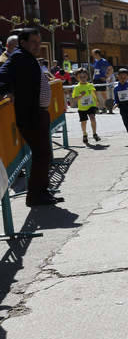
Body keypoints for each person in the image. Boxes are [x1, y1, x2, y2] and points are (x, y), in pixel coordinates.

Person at [0, 28, 63, 206]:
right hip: (30, 115)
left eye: (39, 41)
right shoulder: (19, 57)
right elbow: (2, 76)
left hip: (37, 113)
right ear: (23, 42)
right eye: (34, 42)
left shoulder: (26, 57)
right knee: (42, 154)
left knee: (43, 154)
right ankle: (36, 196)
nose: (37, 45)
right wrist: (7, 91)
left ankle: (41, 192)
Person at [71, 67, 101, 144]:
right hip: (82, 108)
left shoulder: (90, 85)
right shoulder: (77, 88)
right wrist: (81, 95)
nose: (83, 78)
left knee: (92, 118)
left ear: (87, 76)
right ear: (77, 78)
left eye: (84, 77)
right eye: (80, 77)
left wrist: (97, 101)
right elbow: (74, 99)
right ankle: (84, 134)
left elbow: (94, 93)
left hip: (91, 105)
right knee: (83, 122)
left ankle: (94, 133)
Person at [91, 49, 111, 113]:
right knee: (94, 94)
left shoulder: (104, 61)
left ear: (97, 54)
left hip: (101, 80)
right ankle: (97, 108)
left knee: (104, 94)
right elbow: (95, 71)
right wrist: (93, 78)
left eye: (93, 54)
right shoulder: (96, 61)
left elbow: (110, 68)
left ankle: (106, 108)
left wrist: (106, 77)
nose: (93, 55)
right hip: (95, 80)